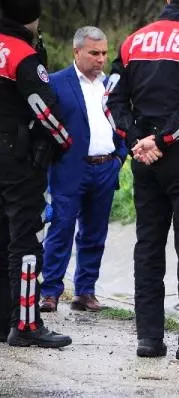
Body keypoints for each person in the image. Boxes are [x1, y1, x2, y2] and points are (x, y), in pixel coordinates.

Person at [104, 0, 179, 362]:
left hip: (144, 156)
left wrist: (135, 142)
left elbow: (111, 102)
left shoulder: (132, 42)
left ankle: (148, 338)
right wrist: (163, 140)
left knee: (148, 245)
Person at [40, 26, 127, 313]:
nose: (101, 59)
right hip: (68, 168)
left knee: (94, 232)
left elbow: (126, 122)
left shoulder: (112, 85)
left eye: (104, 53)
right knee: (61, 228)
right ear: (76, 52)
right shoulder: (57, 82)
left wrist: (118, 159)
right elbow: (44, 126)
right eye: (94, 53)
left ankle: (85, 292)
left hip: (105, 167)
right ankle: (50, 291)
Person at [0, 0, 72, 348]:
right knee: (24, 240)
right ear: (30, 17)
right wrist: (63, 143)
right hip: (17, 159)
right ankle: (26, 324)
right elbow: (44, 111)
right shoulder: (21, 54)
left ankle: (3, 320)